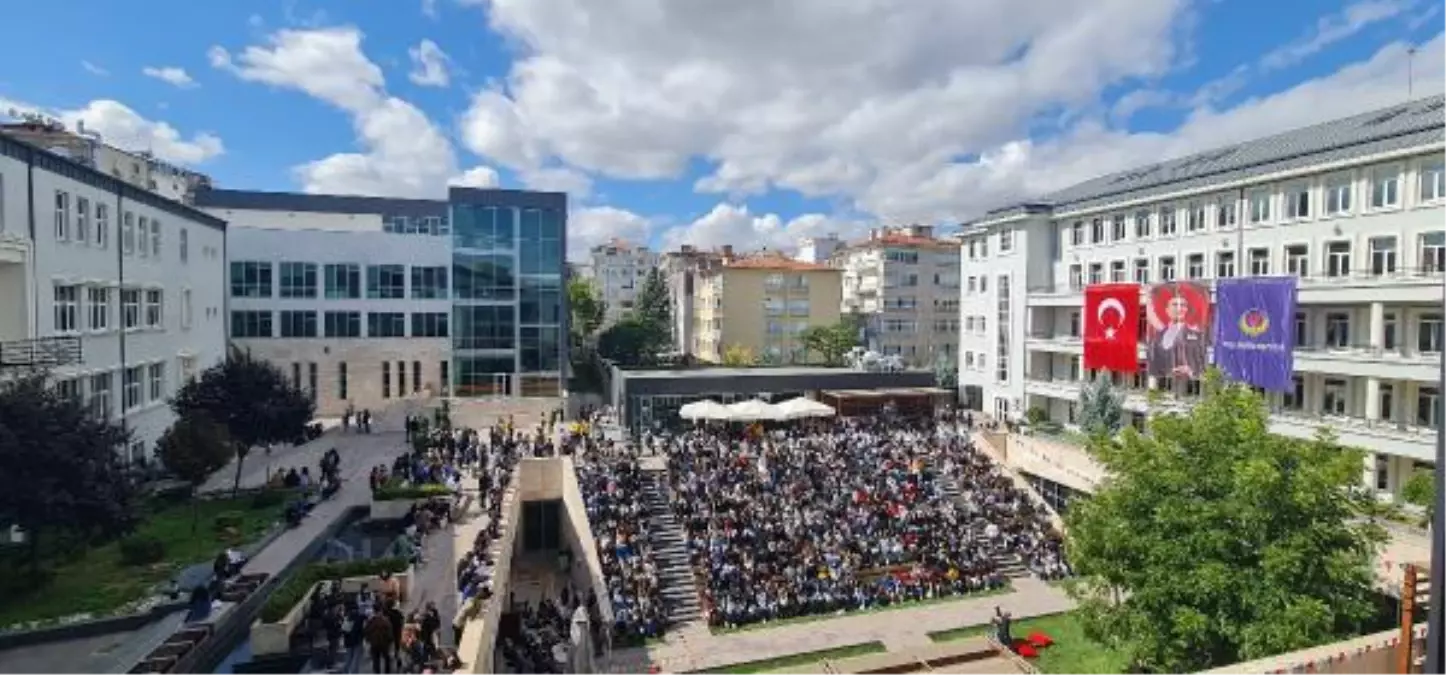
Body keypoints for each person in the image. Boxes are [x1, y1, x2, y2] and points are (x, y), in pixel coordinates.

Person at [1147, 284, 1208, 379]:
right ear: (1167, 310)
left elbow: (1202, 364)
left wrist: (1191, 371)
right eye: (1175, 305)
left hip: (1189, 381)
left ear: (1186, 310)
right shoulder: (1156, 338)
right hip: (1164, 382)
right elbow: (1153, 364)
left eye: (1183, 305)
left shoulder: (1197, 335)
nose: (1179, 309)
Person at [365, 610, 395, 675]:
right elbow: (390, 633)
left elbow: (366, 631)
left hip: (374, 643)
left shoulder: (371, 621)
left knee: (376, 660)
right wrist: (390, 641)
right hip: (384, 643)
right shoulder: (386, 621)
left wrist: (369, 640)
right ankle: (387, 672)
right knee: (387, 658)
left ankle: (377, 673)